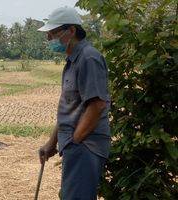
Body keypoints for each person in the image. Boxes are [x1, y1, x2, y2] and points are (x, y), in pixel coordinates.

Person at [37, 7, 111, 199]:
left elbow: (96, 106)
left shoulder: (88, 58)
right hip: (75, 146)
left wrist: (75, 142)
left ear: (71, 31)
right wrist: (52, 143)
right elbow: (69, 110)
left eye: (53, 33)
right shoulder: (72, 61)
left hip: (86, 147)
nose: (49, 40)